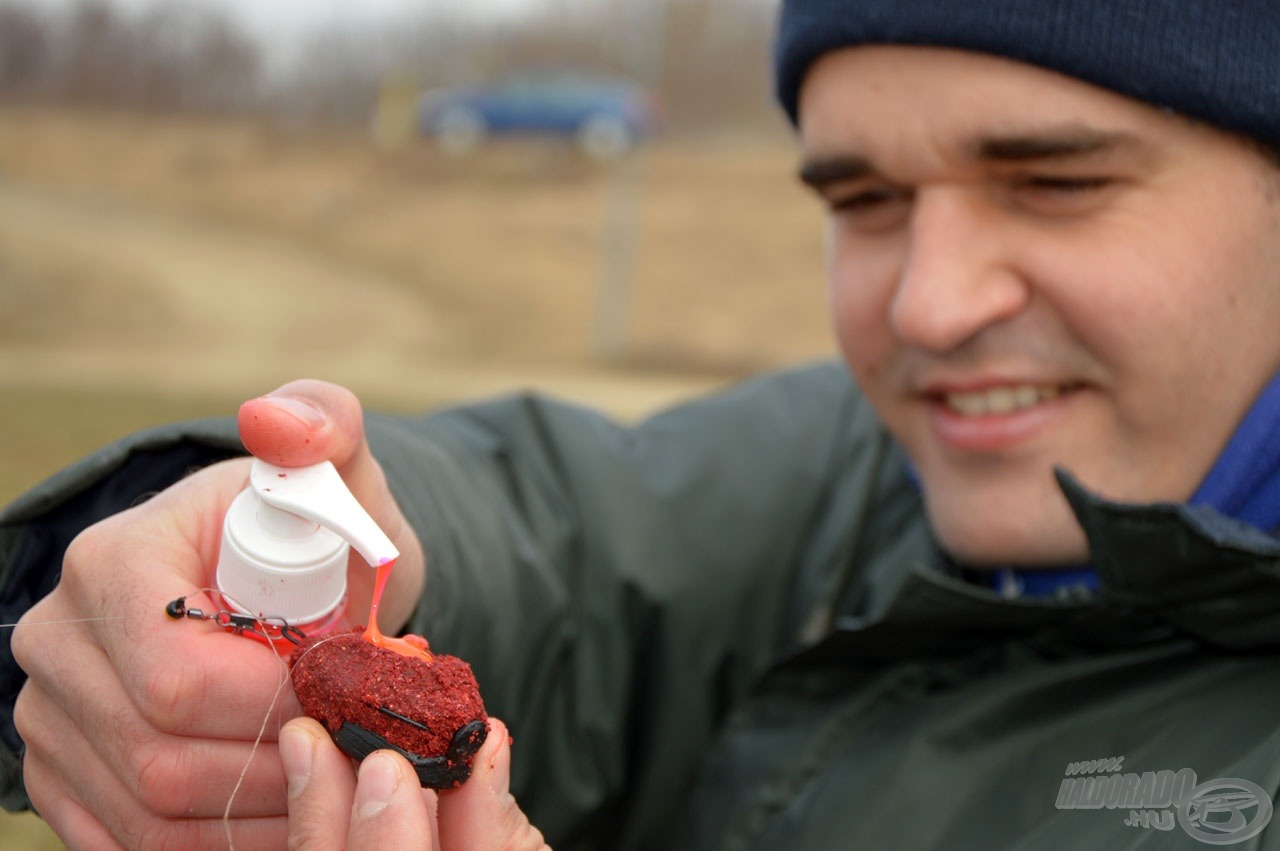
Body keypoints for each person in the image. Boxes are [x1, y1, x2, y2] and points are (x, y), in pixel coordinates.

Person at [4, 0, 1280, 848]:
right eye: (867, 198)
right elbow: (565, 525)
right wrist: (191, 556)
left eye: (1057, 182)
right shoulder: (865, 461)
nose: (929, 306)